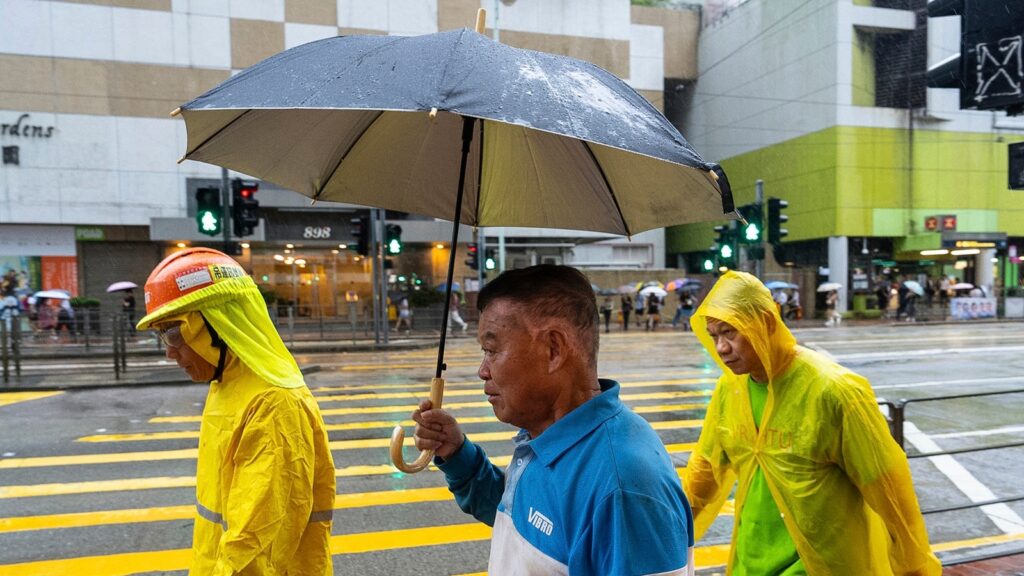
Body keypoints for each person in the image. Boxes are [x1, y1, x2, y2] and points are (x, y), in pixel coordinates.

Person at [412, 265, 695, 575]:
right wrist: (456, 455)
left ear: (554, 349)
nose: (483, 369)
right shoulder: (545, 435)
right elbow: (521, 515)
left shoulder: (622, 489)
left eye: (491, 350)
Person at [683, 271, 940, 575]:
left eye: (730, 332)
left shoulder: (836, 392)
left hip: (822, 566)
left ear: (765, 322)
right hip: (749, 564)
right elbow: (705, 471)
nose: (721, 348)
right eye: (713, 336)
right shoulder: (730, 390)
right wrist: (662, 532)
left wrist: (915, 569)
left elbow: (890, 493)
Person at [136, 248, 335, 575]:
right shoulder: (227, 384)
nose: (170, 352)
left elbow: (253, 546)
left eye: (175, 333)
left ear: (220, 324)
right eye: (163, 337)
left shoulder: (272, 404)